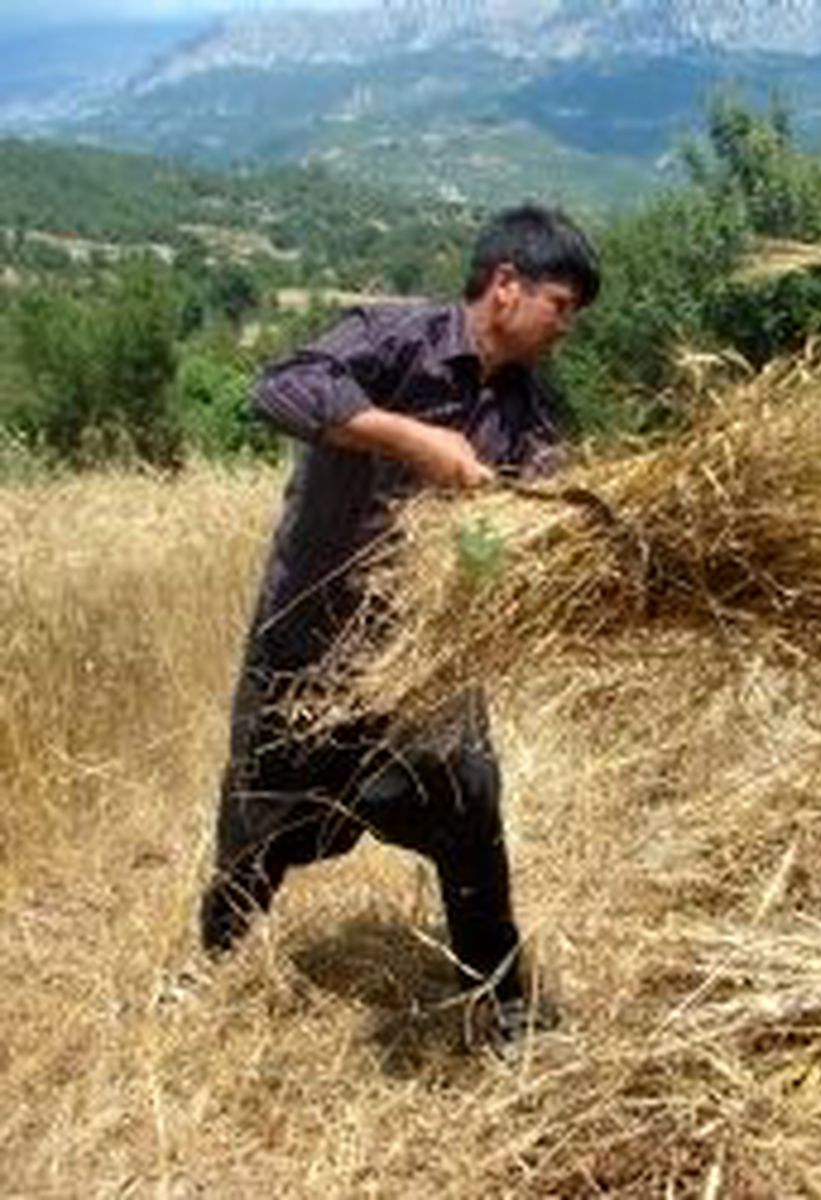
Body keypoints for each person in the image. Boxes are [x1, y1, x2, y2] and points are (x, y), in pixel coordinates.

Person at [199, 203, 600, 1052]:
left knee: (470, 817)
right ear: (505, 286)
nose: (566, 328)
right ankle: (210, 976)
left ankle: (505, 1015)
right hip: (309, 642)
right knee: (258, 823)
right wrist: (411, 437)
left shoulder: (532, 413)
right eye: (561, 306)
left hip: (423, 663)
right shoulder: (391, 340)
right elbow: (279, 387)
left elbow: (536, 520)